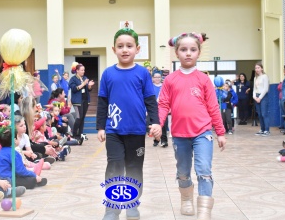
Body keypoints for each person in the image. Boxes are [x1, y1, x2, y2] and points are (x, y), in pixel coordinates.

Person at [158, 32, 226, 219]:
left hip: (203, 132)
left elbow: (213, 107)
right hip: (179, 134)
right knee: (183, 171)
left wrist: (220, 132)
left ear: (199, 53)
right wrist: (159, 123)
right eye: (184, 49)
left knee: (204, 169)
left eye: (193, 50)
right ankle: (186, 200)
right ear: (177, 53)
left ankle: (204, 209)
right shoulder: (170, 80)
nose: (188, 53)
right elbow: (163, 104)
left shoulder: (204, 79)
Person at [97, 28, 162, 220]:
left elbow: (150, 100)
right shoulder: (108, 74)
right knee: (114, 167)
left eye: (129, 46)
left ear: (137, 49)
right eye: (120, 46)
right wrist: (101, 126)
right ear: (113, 49)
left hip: (136, 130)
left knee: (134, 168)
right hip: (114, 131)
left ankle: (132, 204)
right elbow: (102, 102)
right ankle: (112, 209)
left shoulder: (142, 73)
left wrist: (155, 122)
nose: (125, 50)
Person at [69, 63, 95, 141]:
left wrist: (89, 85)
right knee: (78, 117)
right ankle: (74, 134)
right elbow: (73, 89)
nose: (83, 71)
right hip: (77, 101)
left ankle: (80, 134)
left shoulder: (85, 78)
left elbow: (88, 89)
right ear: (77, 71)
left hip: (85, 100)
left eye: (84, 70)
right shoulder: (73, 79)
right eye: (82, 70)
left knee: (82, 118)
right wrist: (83, 84)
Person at [253, 62, 270, 136]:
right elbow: (254, 88)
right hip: (256, 96)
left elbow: (265, 89)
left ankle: (267, 130)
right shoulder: (255, 78)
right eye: (256, 68)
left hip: (263, 96)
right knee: (259, 114)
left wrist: (260, 98)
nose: (257, 69)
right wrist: (254, 97)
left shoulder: (265, 76)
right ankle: (262, 129)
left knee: (264, 114)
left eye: (258, 68)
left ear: (262, 68)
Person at [152, 72, 168, 147]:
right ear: (153, 78)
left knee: (164, 125)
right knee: (155, 124)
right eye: (156, 77)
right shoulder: (150, 87)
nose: (157, 79)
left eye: (159, 77)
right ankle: (156, 140)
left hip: (163, 108)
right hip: (153, 109)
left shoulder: (164, 86)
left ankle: (164, 141)